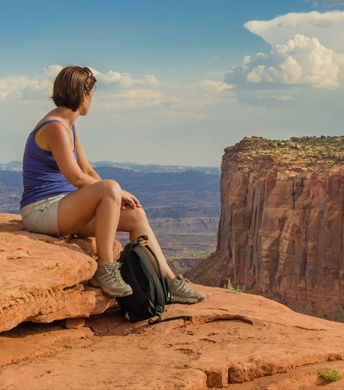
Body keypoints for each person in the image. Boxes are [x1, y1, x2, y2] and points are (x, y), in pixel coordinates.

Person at [20, 65, 205, 304]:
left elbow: (87, 170)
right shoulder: (55, 127)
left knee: (136, 216)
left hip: (63, 209)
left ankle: (169, 281)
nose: (91, 101)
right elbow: (75, 178)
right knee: (110, 187)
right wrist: (113, 191)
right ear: (83, 94)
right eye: (92, 95)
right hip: (41, 211)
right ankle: (105, 268)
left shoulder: (69, 126)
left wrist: (114, 196)